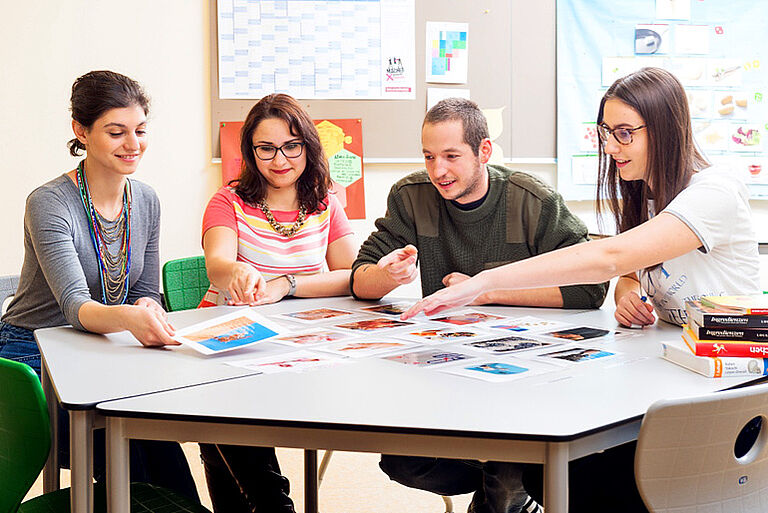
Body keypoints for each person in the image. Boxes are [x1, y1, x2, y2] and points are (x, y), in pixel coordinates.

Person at [403, 67, 761, 512]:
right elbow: (630, 268)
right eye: (607, 133)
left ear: (666, 128)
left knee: (564, 469)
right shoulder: (647, 197)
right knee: (542, 455)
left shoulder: (715, 192)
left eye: (625, 133)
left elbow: (608, 258)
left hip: (733, 398)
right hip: (677, 375)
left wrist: (484, 283)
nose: (611, 147)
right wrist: (629, 289)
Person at [352, 97, 608, 513]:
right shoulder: (410, 196)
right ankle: (502, 478)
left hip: (525, 377)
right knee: (401, 461)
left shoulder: (532, 201)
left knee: (510, 469)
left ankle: (506, 482)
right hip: (442, 371)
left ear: (484, 152)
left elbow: (591, 288)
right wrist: (388, 275)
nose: (438, 171)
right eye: (429, 156)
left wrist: (485, 291)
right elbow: (360, 276)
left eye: (452, 156)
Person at [0, 70, 199, 499]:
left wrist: (146, 307)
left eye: (140, 130)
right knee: (126, 442)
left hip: (104, 346)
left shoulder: (146, 199)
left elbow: (145, 287)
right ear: (81, 131)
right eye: (116, 131)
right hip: (33, 350)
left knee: (154, 433)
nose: (133, 144)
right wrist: (131, 317)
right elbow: (75, 306)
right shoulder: (49, 201)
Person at [198, 93, 356, 513]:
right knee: (230, 436)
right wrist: (236, 273)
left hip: (298, 344)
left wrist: (285, 283)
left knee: (223, 451)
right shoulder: (228, 200)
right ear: (250, 151)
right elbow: (217, 263)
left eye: (291, 146)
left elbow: (351, 275)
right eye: (265, 148)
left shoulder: (325, 202)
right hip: (231, 344)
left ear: (308, 145)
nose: (279, 159)